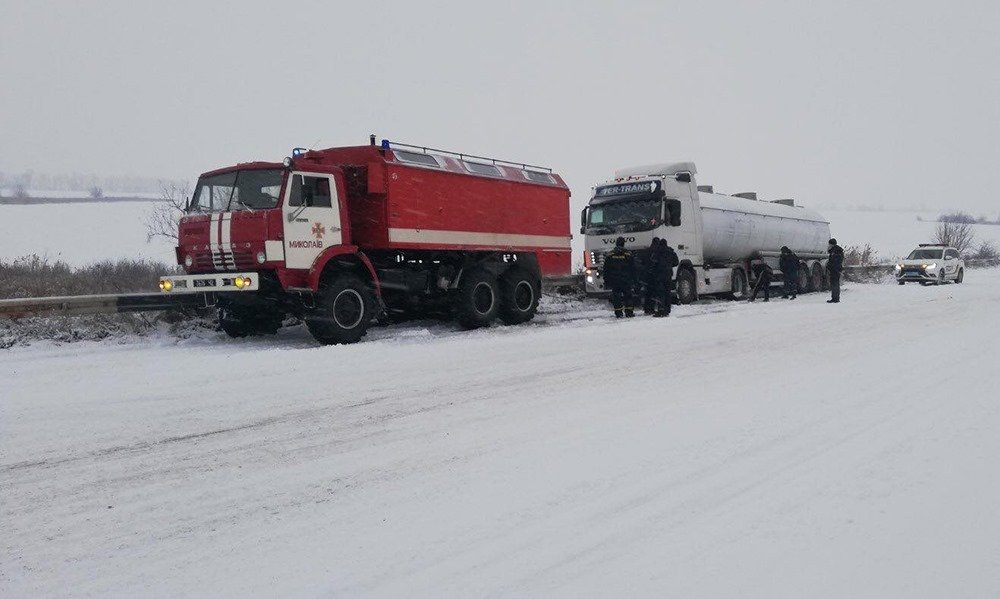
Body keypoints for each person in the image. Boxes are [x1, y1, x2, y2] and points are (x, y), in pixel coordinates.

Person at [603, 237, 637, 318]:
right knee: (628, 295)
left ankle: (618, 313)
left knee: (616, 296)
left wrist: (606, 280)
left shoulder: (610, 254)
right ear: (623, 243)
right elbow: (633, 268)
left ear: (616, 243)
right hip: (626, 280)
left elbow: (606, 269)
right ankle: (629, 312)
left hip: (615, 280)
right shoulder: (628, 254)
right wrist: (634, 280)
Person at [652, 238, 679, 317]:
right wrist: (669, 266)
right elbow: (676, 262)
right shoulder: (671, 252)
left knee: (660, 293)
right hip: (668, 275)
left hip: (659, 275)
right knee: (667, 292)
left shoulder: (657, 252)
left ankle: (661, 310)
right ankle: (667, 309)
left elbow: (653, 261)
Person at [642, 237, 660, 314]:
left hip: (647, 275)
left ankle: (646, 308)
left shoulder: (647, 251)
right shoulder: (658, 252)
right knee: (654, 293)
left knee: (648, 292)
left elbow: (642, 262)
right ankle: (651, 308)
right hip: (655, 275)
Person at [826, 238, 845, 303]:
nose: (828, 245)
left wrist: (830, 266)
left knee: (835, 284)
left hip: (835, 270)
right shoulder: (835, 251)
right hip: (835, 269)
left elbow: (835, 261)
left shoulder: (836, 251)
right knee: (834, 284)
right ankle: (834, 298)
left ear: (832, 244)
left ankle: (836, 298)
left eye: (829, 244)